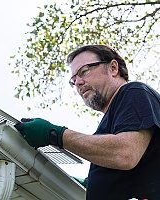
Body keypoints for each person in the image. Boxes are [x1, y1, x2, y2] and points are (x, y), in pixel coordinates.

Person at [14, 44, 160, 200]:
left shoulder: (134, 92)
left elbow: (125, 154)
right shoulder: (108, 125)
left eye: (83, 71)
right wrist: (88, 184)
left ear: (113, 68)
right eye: (74, 79)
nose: (78, 82)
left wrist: (55, 134)